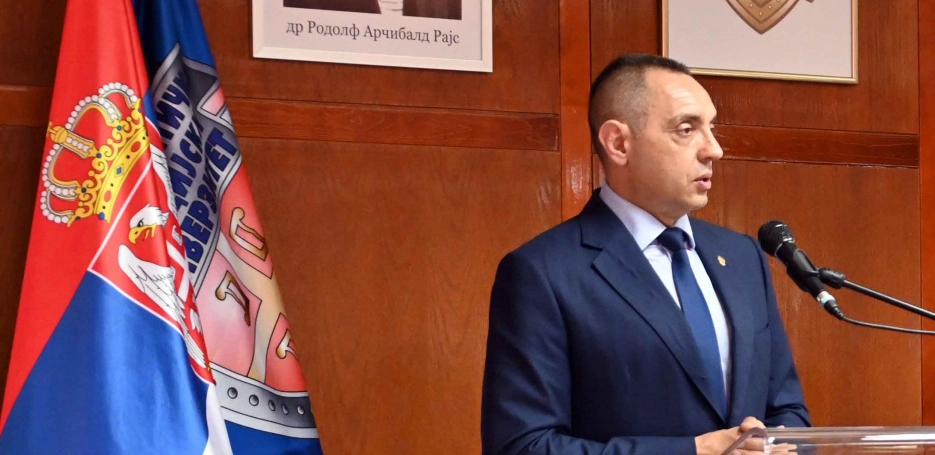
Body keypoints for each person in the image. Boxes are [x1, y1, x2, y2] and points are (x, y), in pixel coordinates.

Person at [481, 53, 811, 455]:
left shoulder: (743, 257)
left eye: (712, 128)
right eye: (686, 129)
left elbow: (789, 411)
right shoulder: (543, 273)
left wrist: (777, 445)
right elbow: (523, 446)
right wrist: (695, 452)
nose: (714, 150)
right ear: (619, 143)